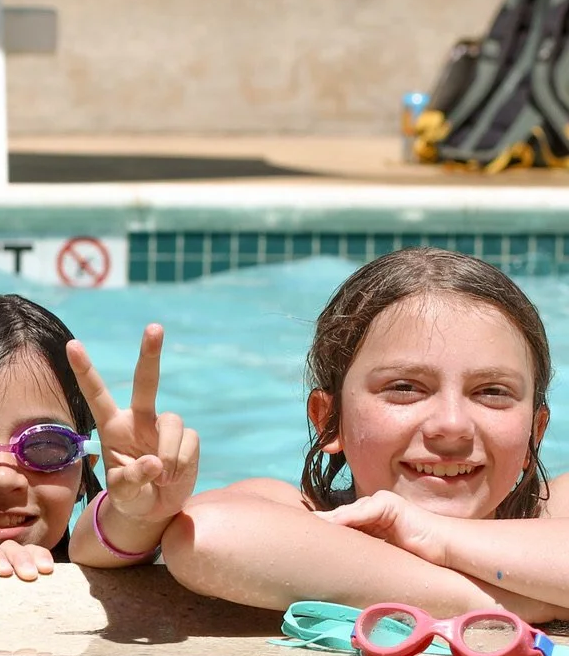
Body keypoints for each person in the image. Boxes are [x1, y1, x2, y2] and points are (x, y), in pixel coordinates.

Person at [151, 248, 569, 619]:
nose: (452, 425)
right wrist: (506, 602)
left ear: (536, 430)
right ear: (328, 420)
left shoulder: (551, 514)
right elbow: (204, 538)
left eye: (492, 392)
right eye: (404, 388)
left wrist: (430, 532)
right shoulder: (307, 514)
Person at [0, 294, 197, 581]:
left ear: (85, 472)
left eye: (45, 446)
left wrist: (138, 518)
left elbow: (112, 538)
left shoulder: (110, 545)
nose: (2, 478)